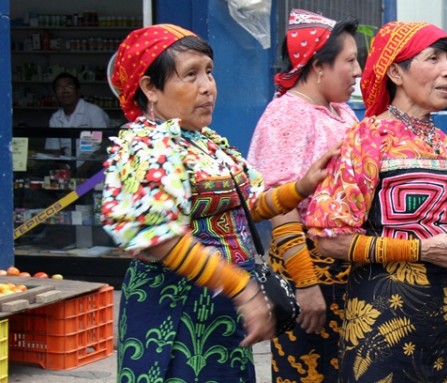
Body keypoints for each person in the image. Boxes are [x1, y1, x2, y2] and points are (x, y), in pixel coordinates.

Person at [100, 24, 338, 382]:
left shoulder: (206, 142)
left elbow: (249, 207)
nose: (207, 87)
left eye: (209, 72)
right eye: (191, 75)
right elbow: (160, 237)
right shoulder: (145, 147)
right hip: (174, 310)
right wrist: (241, 288)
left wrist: (300, 187)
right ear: (150, 87)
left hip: (225, 309)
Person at [304, 21, 447, 382]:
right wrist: (420, 250)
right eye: (432, 59)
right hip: (382, 327)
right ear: (395, 73)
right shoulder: (367, 138)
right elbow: (329, 239)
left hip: (445, 331)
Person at [247, 9, 361, 382]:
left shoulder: (341, 112)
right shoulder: (287, 115)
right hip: (311, 276)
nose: (358, 71)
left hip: (347, 270)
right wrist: (306, 284)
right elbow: (281, 206)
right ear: (318, 66)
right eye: (350, 60)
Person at [45, 72, 111, 156]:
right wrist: (64, 167)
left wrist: (84, 167)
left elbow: (104, 144)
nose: (65, 91)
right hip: (68, 165)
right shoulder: (55, 118)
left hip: (94, 165)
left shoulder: (93, 112)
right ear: (54, 95)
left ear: (78, 91)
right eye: (59, 88)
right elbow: (55, 149)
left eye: (69, 87)